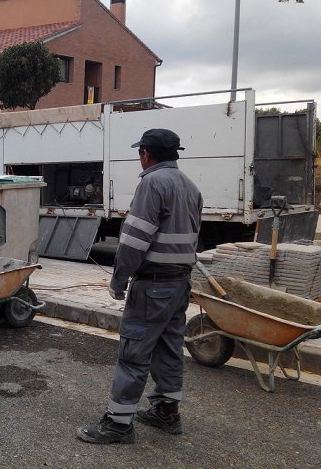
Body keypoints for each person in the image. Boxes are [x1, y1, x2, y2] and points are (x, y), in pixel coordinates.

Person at [77, 128, 203, 444]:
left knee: (134, 353)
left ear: (146, 154)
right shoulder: (191, 187)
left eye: (140, 153)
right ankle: (167, 412)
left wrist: (118, 279)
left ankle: (118, 425)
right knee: (169, 349)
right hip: (178, 286)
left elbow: (134, 241)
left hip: (152, 288)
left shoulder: (152, 183)